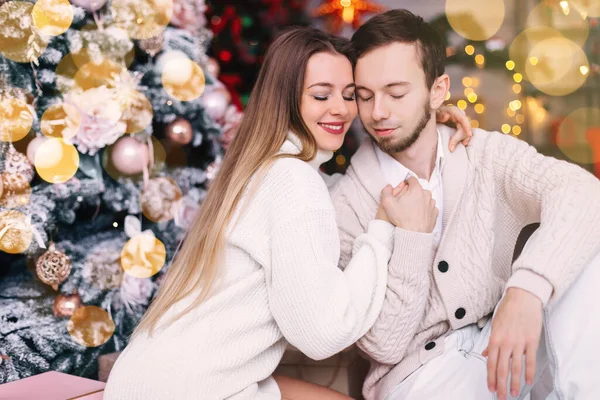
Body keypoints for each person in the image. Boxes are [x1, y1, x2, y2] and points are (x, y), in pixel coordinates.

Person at [103, 27, 471, 400]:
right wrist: (381, 230)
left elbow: (344, 194)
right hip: (190, 390)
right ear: (287, 100)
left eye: (349, 96)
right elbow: (322, 333)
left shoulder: (268, 169)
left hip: (150, 379)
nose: (340, 109)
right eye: (321, 95)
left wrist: (427, 124)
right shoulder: (293, 181)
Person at [330, 9, 600, 400]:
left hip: (502, 343)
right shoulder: (347, 204)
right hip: (423, 378)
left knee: (589, 257)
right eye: (365, 96)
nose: (378, 113)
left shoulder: (484, 153)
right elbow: (382, 346)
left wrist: (525, 290)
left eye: (397, 93)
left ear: (437, 91)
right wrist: (411, 239)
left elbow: (584, 194)